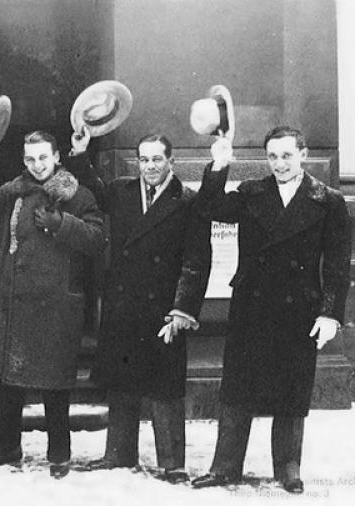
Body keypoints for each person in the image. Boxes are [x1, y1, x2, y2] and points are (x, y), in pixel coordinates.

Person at [190, 127, 351, 494]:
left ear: (304, 154)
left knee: (292, 388)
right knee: (237, 387)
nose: (279, 164)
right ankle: (224, 466)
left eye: (287, 156)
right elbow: (209, 209)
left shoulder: (328, 201)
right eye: (273, 156)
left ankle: (288, 467)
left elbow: (338, 265)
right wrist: (219, 165)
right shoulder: (251, 193)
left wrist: (329, 314)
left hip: (299, 310)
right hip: (252, 306)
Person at [69, 129, 212, 484]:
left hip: (164, 311)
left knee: (165, 387)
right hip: (124, 305)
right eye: (144, 159)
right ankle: (118, 454)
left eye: (157, 159)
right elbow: (93, 187)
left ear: (171, 161)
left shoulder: (188, 201)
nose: (150, 166)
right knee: (121, 382)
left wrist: (183, 309)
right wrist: (79, 152)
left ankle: (172, 463)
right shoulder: (122, 191)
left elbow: (197, 259)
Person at [0, 130, 105, 479]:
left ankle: (59, 454)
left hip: (54, 304)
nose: (37, 165)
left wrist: (61, 224)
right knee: (9, 382)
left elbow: (98, 239)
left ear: (57, 157)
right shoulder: (14, 192)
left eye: (43, 157)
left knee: (54, 385)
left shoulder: (77, 194)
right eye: (30, 159)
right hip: (14, 301)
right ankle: (6, 449)